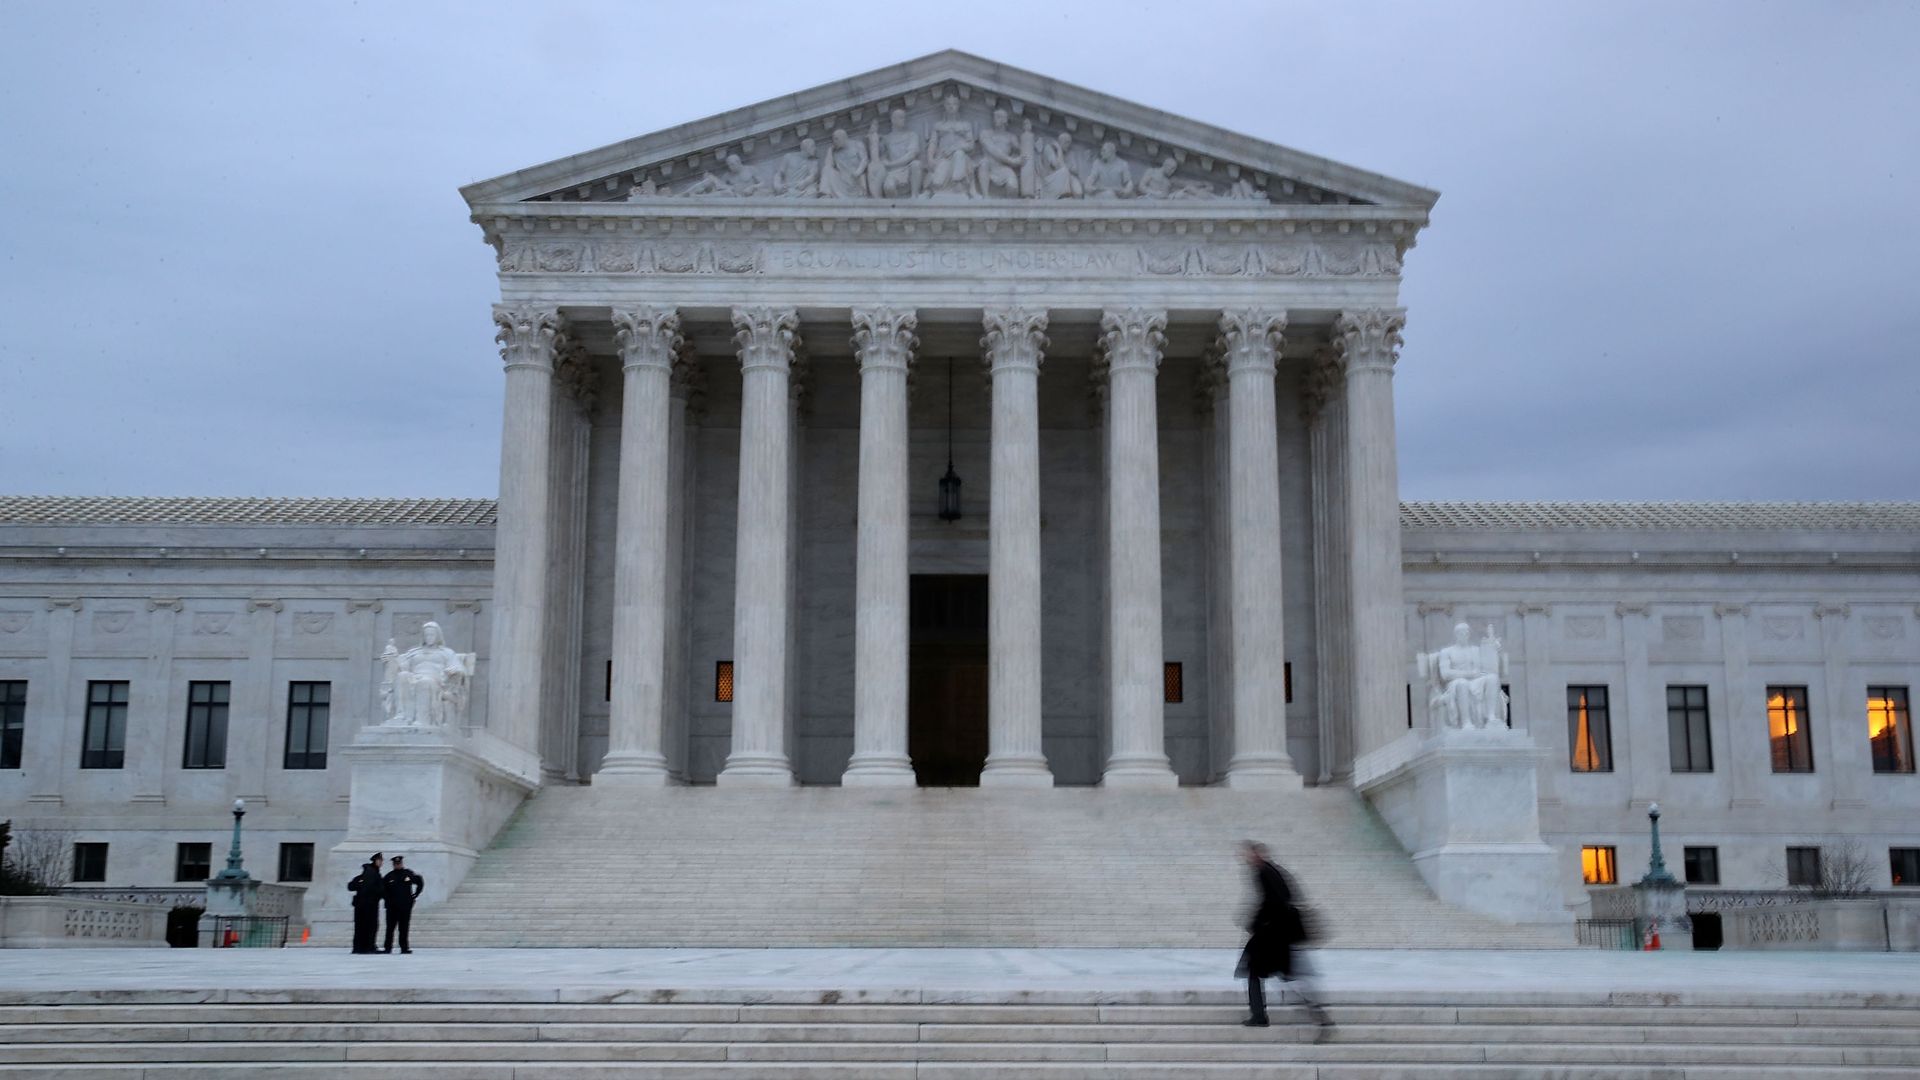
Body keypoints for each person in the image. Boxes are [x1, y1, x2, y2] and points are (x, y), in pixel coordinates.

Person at [1237, 841, 1331, 1035]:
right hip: (1279, 935)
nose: (1246, 858)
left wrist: (1255, 922)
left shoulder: (1263, 872)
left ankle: (1260, 1016)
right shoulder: (1276, 870)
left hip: (1271, 936)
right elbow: (1288, 896)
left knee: (1255, 971)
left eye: (1249, 853)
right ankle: (1318, 1016)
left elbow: (1272, 901)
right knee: (1282, 976)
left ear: (1258, 854)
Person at [381, 855, 425, 954]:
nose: (397, 865)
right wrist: (388, 900)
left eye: (399, 863)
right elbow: (382, 890)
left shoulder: (408, 874)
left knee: (404, 928)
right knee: (390, 928)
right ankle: (388, 948)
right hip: (392, 908)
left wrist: (415, 895)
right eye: (396, 864)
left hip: (405, 907)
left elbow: (419, 881)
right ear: (393, 865)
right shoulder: (389, 876)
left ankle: (404, 948)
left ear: (402, 863)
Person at [347, 852, 384, 954]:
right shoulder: (373, 874)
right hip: (369, 905)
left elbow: (351, 886)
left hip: (360, 905)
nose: (381, 862)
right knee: (370, 926)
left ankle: (359, 947)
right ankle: (369, 947)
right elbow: (379, 890)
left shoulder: (363, 875)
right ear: (375, 861)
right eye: (380, 860)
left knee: (360, 927)